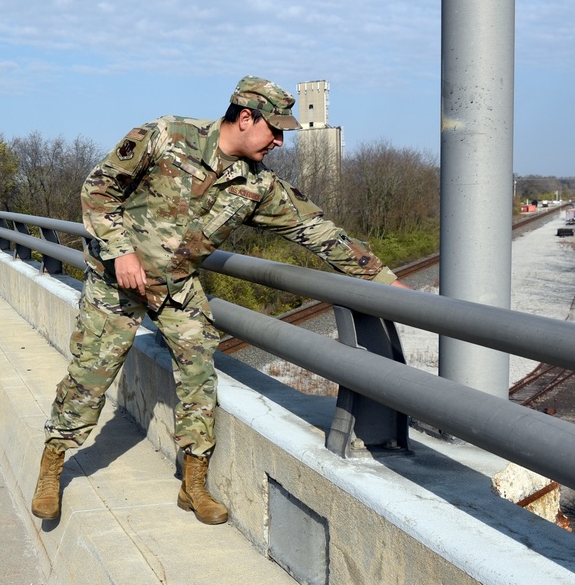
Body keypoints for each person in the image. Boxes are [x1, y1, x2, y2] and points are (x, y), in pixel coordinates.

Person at [32, 76, 409, 525]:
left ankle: (193, 483)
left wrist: (385, 282)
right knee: (90, 376)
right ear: (246, 118)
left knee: (199, 375)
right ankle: (52, 465)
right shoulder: (167, 136)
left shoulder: (258, 185)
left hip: (177, 286)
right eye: (276, 130)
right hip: (117, 280)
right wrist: (120, 250)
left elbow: (317, 230)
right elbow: (98, 188)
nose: (280, 142)